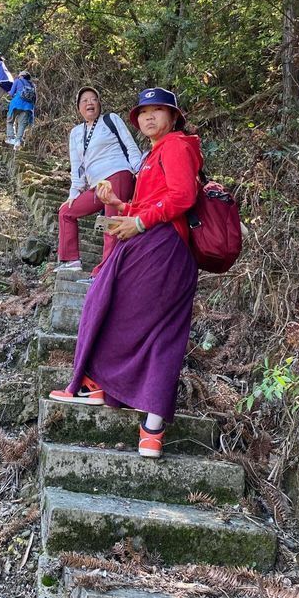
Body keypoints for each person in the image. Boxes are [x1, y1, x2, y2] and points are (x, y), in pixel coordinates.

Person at [49, 87, 202, 461]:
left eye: (157, 111)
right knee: (118, 307)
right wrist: (121, 204)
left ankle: (141, 417)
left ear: (173, 115)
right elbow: (153, 202)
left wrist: (139, 220)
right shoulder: (155, 153)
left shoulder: (178, 146)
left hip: (164, 247)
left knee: (131, 315)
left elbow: (183, 198)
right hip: (154, 242)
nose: (149, 118)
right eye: (143, 112)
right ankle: (110, 394)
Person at [56, 87, 142, 273]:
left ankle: (104, 273)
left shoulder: (110, 120)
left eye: (94, 99)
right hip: (97, 185)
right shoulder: (76, 133)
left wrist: (140, 170)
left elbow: (130, 145)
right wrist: (74, 192)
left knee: (110, 224)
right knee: (66, 212)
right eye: (85, 100)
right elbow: (77, 166)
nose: (90, 103)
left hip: (117, 174)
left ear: (99, 104)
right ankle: (71, 261)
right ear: (79, 107)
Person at [6, 70, 35, 148]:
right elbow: (34, 99)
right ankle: (18, 140)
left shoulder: (18, 81)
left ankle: (10, 138)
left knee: (10, 121)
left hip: (16, 104)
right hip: (28, 107)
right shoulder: (32, 85)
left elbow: (11, 93)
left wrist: (9, 93)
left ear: (21, 76)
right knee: (22, 124)